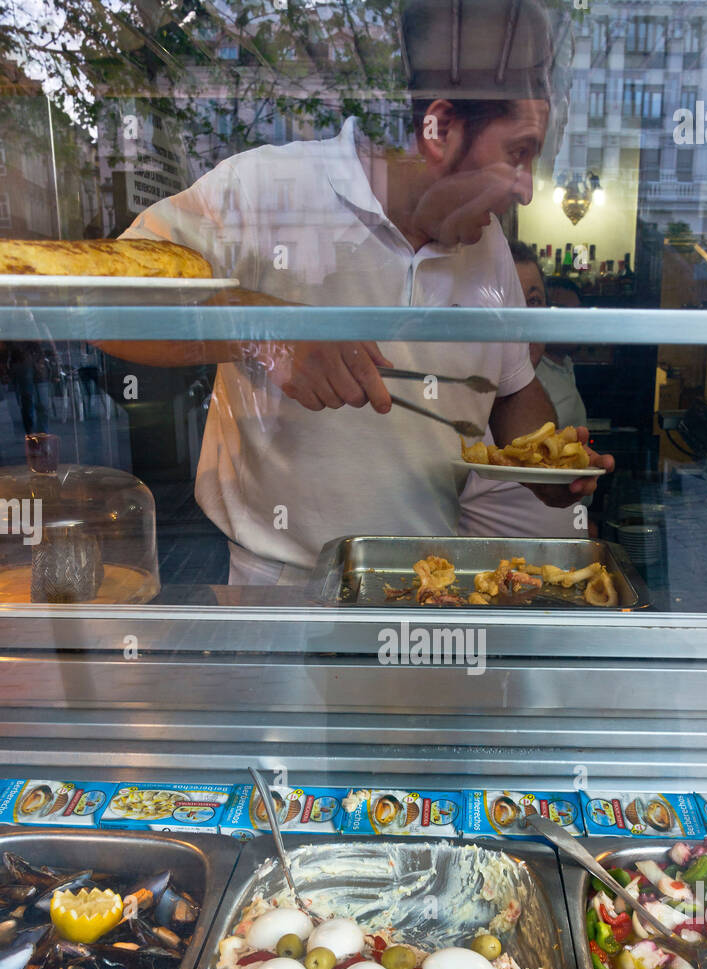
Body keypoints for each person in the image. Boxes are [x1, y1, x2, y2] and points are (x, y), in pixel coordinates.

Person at [99, 0, 613, 585]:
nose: (526, 192)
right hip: (280, 594)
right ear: (440, 129)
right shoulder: (262, 189)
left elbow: (512, 394)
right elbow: (106, 307)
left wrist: (551, 469)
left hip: (430, 588)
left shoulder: (489, 247)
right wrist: (269, 333)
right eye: (518, 154)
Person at [459, 242, 593, 538]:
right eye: (507, 302)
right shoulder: (468, 399)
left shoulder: (554, 379)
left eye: (532, 301)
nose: (520, 319)